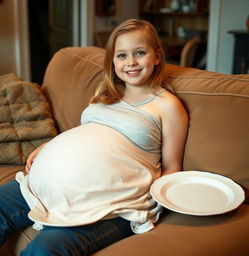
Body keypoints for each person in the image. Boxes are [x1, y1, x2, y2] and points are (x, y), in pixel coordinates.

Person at [0, 19, 188, 256]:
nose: (131, 62)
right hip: (42, 185)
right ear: (113, 60)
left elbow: (172, 169)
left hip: (110, 203)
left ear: (157, 56)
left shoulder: (167, 106)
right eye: (122, 55)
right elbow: (91, 132)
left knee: (45, 249)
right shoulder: (106, 91)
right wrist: (51, 146)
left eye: (140, 52)